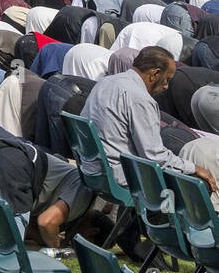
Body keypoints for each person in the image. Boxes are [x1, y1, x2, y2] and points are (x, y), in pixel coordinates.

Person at [81, 47, 218, 205]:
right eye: (166, 79)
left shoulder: (107, 82)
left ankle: (138, 225)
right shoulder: (140, 99)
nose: (166, 86)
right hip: (117, 175)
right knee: (197, 185)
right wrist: (195, 168)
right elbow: (155, 157)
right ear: (155, 74)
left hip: (91, 167)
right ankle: (163, 228)